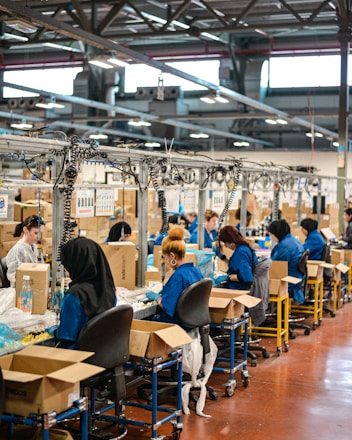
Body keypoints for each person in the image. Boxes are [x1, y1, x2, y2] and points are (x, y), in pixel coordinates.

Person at [56, 237, 117, 349]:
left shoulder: (75, 296)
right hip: (104, 354)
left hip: (78, 358)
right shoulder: (108, 289)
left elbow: (67, 337)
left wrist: (56, 331)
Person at [147, 226, 203, 328]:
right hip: (193, 323)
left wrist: (157, 297)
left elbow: (167, 306)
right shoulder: (196, 271)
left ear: (172, 256)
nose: (166, 262)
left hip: (178, 325)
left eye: (165, 258)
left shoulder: (178, 276)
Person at [268, 219, 305, 303]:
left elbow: (275, 268)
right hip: (297, 278)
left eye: (271, 235)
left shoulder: (284, 247)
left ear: (276, 233)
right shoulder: (294, 241)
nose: (272, 238)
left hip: (289, 282)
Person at [5, 215, 46, 285]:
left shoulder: (35, 247)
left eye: (40, 234)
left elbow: (41, 267)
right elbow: (13, 277)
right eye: (36, 233)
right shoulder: (18, 250)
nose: (39, 237)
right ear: (25, 230)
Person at [217, 225, 258, 290]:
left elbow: (246, 277)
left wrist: (228, 277)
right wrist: (223, 257)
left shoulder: (241, 252)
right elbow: (236, 266)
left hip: (240, 289)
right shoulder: (243, 247)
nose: (226, 246)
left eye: (225, 243)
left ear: (231, 242)